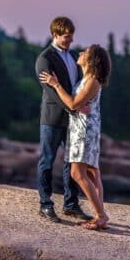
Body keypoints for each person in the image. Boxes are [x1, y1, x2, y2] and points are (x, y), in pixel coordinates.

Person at [39, 44, 112, 230]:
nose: (80, 53)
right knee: (91, 174)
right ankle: (99, 215)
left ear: (91, 60)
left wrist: (55, 84)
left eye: (85, 52)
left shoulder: (92, 81)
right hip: (83, 128)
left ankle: (101, 216)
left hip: (84, 130)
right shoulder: (87, 78)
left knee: (78, 173)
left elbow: (72, 103)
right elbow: (76, 104)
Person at [34, 17, 91, 222]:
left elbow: (78, 86)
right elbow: (51, 93)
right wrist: (74, 108)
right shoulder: (45, 59)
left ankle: (71, 204)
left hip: (73, 119)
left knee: (72, 161)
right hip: (52, 119)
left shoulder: (73, 56)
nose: (71, 40)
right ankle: (45, 204)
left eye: (72, 36)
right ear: (55, 34)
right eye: (67, 37)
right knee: (47, 160)